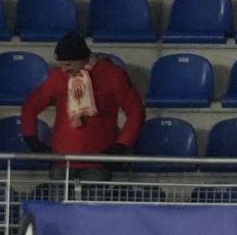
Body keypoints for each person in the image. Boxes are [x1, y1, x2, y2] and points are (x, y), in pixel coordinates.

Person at [19, 32, 144, 179]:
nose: (64, 69)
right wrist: (32, 141)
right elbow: (30, 106)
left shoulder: (112, 76)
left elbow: (136, 112)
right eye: (62, 64)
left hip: (98, 161)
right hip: (62, 160)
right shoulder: (59, 77)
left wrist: (121, 146)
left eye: (68, 64)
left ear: (82, 59)